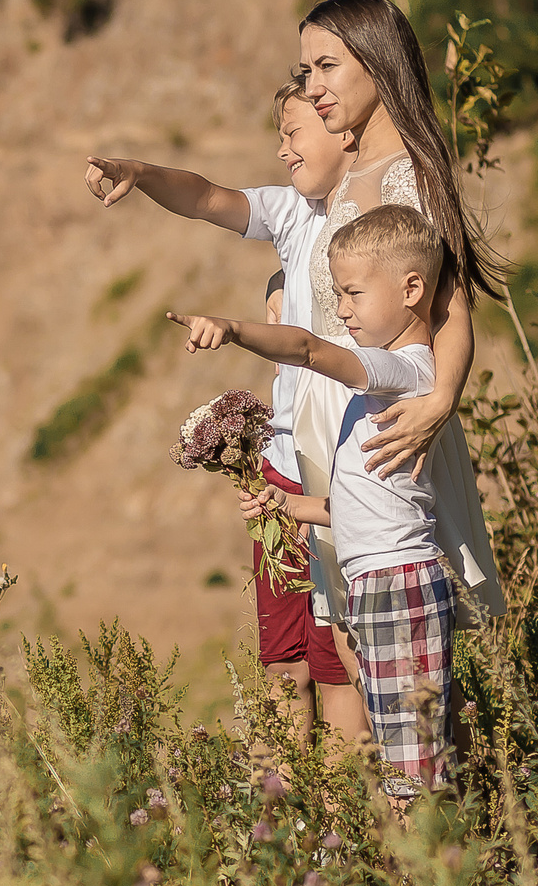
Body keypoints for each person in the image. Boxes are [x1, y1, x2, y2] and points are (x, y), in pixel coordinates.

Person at [82, 87, 365, 745]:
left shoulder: (374, 216)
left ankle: (348, 819)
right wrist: (143, 173)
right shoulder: (294, 211)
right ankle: (294, 818)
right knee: (283, 661)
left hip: (336, 473)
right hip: (282, 470)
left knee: (337, 663)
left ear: (345, 131)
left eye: (295, 133)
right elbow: (206, 195)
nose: (281, 147)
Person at [166, 205, 462, 798]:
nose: (343, 309)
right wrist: (288, 506)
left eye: (352, 293)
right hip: (378, 578)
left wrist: (234, 329)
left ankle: (436, 875)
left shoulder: (403, 369)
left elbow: (305, 349)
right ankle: (424, 869)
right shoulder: (376, 396)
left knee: (415, 768)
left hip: (397, 585)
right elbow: (362, 505)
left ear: (411, 290)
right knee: (403, 753)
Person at [292, 0, 505, 626]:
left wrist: (440, 403)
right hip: (335, 414)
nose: (314, 86)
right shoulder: (351, 164)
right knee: (364, 645)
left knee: (410, 642)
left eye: (328, 66)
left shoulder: (407, 172)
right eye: (307, 71)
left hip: (389, 420)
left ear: (378, 63)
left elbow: (451, 304)